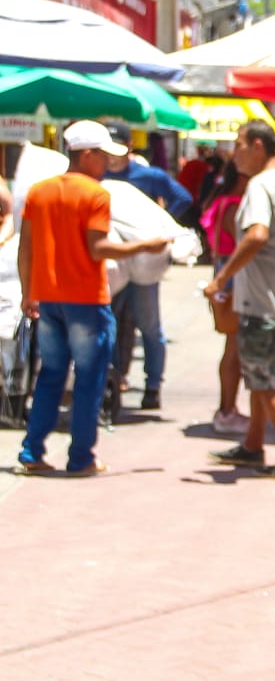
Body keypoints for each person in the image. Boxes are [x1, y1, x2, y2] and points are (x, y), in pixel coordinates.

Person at [15, 120, 171, 476]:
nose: (108, 163)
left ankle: (31, 452)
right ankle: (81, 458)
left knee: (51, 375)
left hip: (49, 298)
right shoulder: (96, 194)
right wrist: (146, 245)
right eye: (103, 156)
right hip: (85, 299)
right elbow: (97, 247)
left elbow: (27, 247)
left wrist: (29, 292)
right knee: (88, 379)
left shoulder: (40, 192)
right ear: (86, 155)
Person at [203, 119, 275, 481]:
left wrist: (222, 277)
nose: (234, 155)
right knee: (261, 375)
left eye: (238, 145)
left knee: (265, 382)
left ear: (257, 146)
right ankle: (252, 446)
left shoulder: (261, 185)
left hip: (262, 303)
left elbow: (257, 234)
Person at [102, 124, 192, 411]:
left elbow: (183, 198)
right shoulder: (97, 175)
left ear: (129, 145)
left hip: (143, 264)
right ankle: (113, 383)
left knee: (149, 326)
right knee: (109, 323)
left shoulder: (149, 176)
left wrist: (162, 224)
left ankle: (153, 386)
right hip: (113, 262)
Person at [200, 161, 250, 436]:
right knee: (234, 347)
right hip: (234, 276)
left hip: (225, 272)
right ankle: (227, 410)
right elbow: (245, 243)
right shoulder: (233, 206)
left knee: (233, 346)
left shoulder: (219, 203)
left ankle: (227, 408)